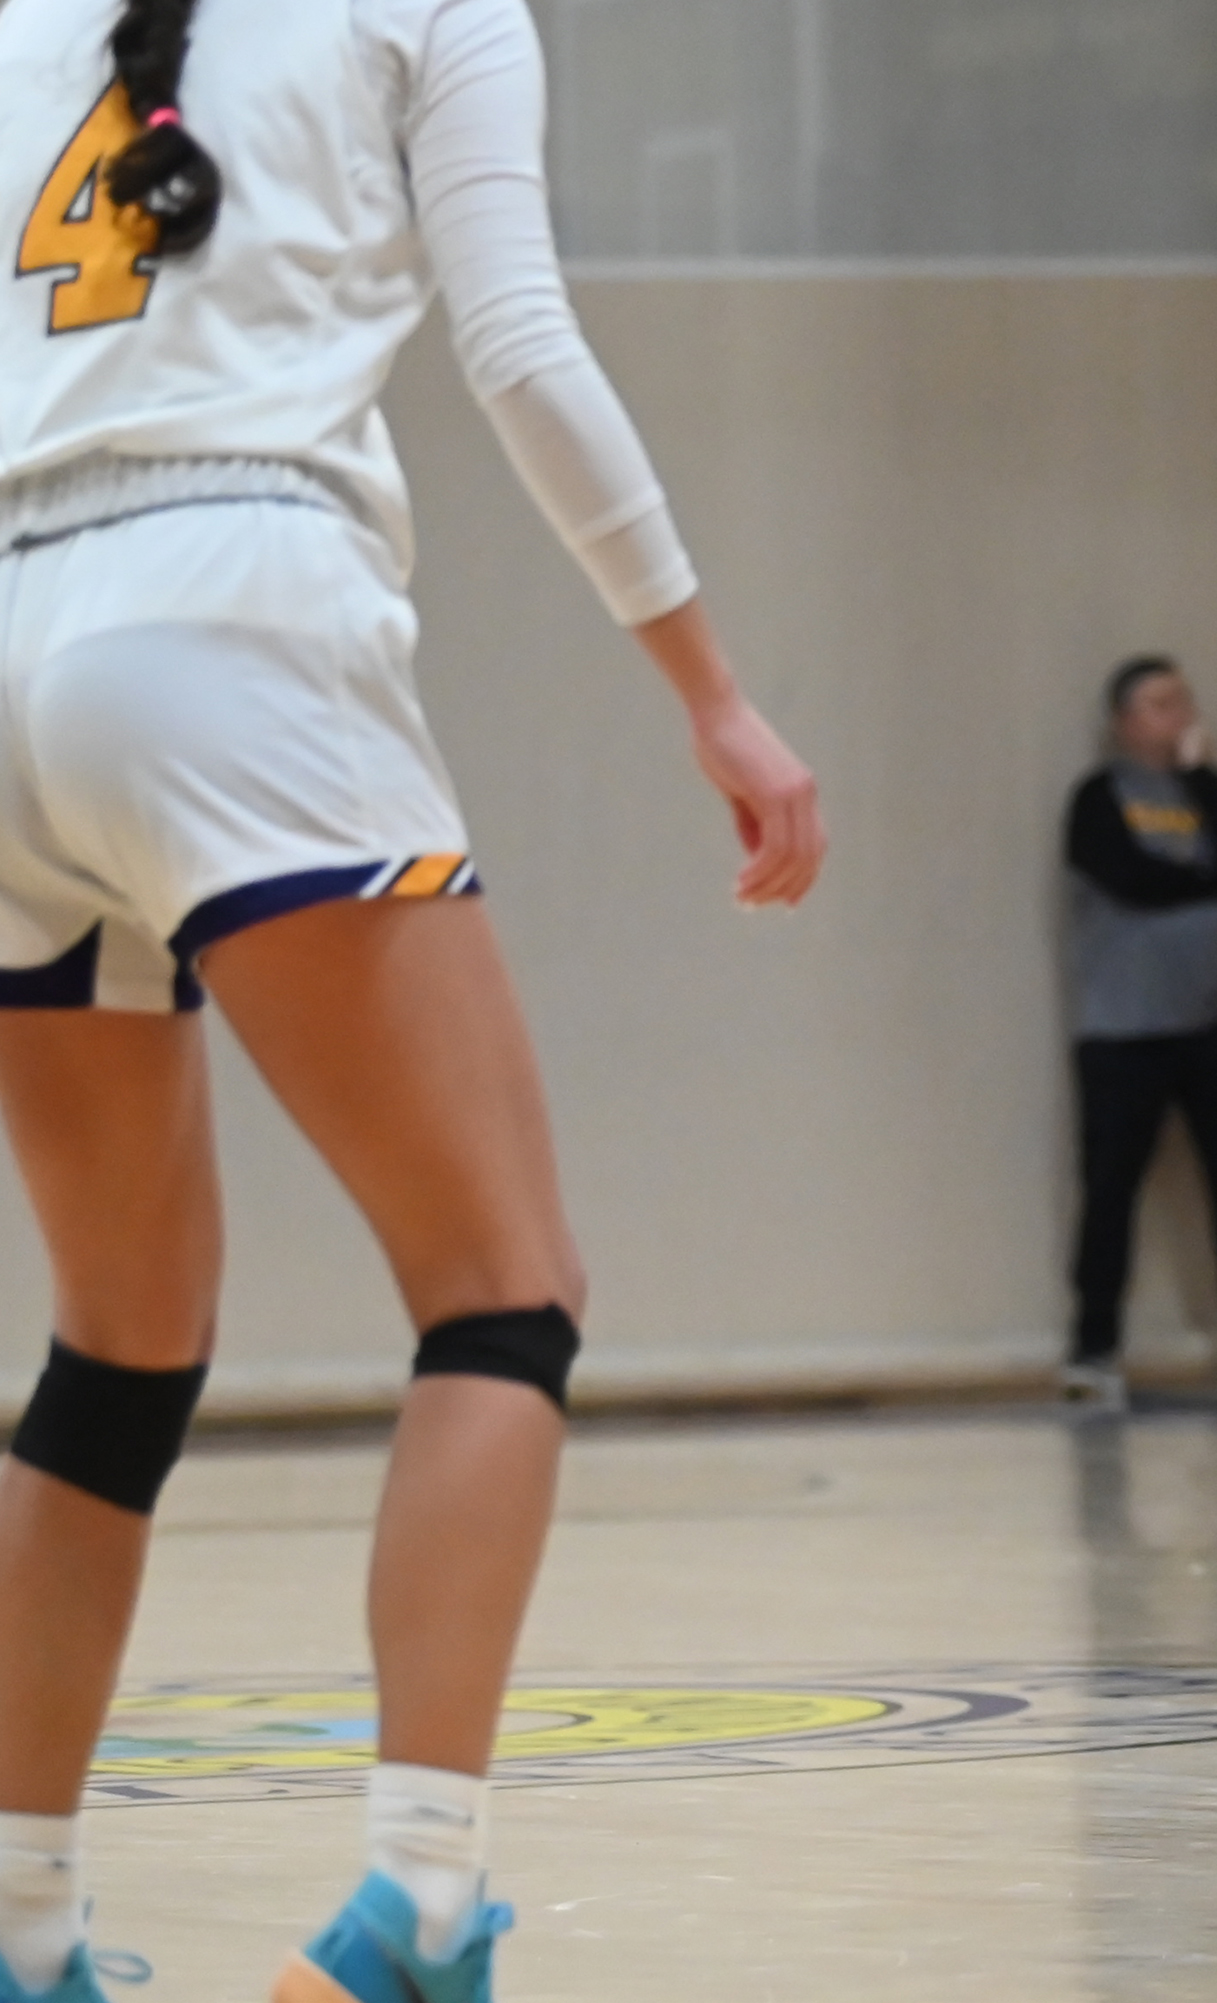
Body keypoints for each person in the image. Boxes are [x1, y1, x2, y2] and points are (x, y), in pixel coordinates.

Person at [0, 0, 827, 1994]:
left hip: (9, 641)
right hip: (235, 606)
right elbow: (523, 348)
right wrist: (709, 685)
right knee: (500, 1292)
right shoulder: (432, 3)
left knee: (115, 1350)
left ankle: (23, 1935)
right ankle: (418, 1907)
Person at [1061, 657, 1217, 1406]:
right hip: (1123, 1026)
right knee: (1111, 1185)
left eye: (1184, 701)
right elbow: (1130, 878)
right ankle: (1093, 1346)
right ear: (1124, 721)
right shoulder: (1100, 797)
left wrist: (1203, 782)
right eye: (1159, 703)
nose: (1178, 715)